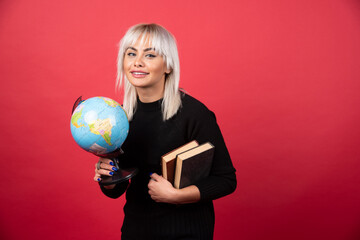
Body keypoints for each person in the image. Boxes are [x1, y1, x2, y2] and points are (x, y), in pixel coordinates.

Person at [94, 23, 237, 240]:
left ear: (168, 65)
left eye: (150, 55)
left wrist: (178, 196)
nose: (137, 62)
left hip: (187, 232)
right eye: (131, 53)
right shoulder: (119, 118)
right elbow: (115, 191)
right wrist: (109, 177)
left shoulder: (194, 113)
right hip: (136, 230)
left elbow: (226, 180)